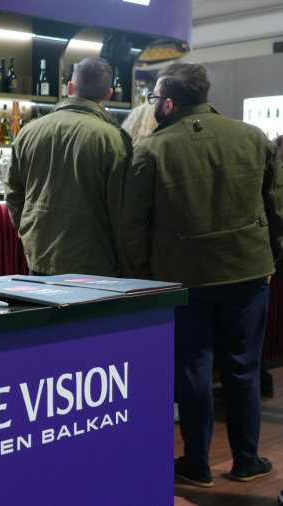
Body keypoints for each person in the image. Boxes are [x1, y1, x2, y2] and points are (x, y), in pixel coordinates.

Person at [121, 63, 283, 488]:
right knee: (243, 369)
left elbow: (133, 228)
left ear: (168, 103)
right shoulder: (254, 138)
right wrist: (270, 262)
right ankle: (246, 461)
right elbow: (277, 211)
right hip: (248, 273)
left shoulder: (151, 149)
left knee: (192, 369)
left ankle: (196, 464)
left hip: (181, 279)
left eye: (155, 98)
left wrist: (147, 279)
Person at [5, 56, 133, 276]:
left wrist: (28, 228)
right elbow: (121, 207)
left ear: (70, 87)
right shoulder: (114, 139)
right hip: (94, 259)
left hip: (39, 255)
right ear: (108, 94)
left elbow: (13, 193)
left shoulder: (29, 131)